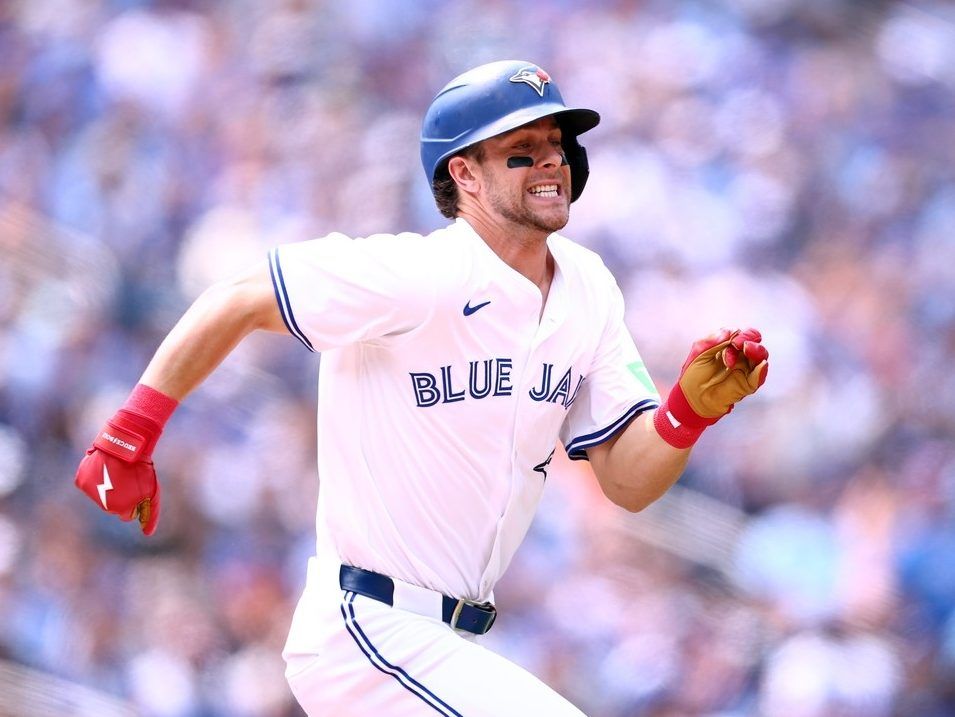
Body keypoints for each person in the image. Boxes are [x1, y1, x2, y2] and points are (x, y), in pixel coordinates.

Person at [75, 60, 769, 716]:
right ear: (464, 173)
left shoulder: (587, 287)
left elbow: (626, 481)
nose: (551, 161)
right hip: (366, 628)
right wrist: (130, 432)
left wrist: (684, 414)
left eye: (556, 145)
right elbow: (238, 298)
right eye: (521, 150)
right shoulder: (420, 273)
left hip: (450, 640)